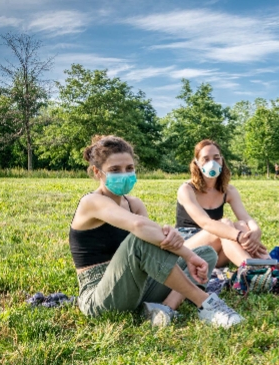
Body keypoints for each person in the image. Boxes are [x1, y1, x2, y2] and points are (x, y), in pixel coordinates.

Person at [69, 135, 243, 328]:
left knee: (206, 254)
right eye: (115, 170)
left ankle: (166, 309)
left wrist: (165, 233)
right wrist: (186, 254)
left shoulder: (134, 204)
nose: (124, 174)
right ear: (97, 172)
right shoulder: (91, 202)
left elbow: (152, 239)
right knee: (142, 241)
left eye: (129, 168)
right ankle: (207, 303)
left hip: (138, 289)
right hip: (100, 298)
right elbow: (140, 228)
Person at [176, 140, 279, 278]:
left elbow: (246, 218)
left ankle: (269, 267)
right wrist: (238, 236)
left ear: (222, 160)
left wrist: (256, 231)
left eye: (216, 158)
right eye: (205, 159)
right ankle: (258, 271)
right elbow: (206, 223)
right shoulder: (186, 189)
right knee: (225, 225)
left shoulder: (228, 191)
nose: (211, 162)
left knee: (242, 225)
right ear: (196, 162)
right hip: (187, 249)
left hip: (214, 253)